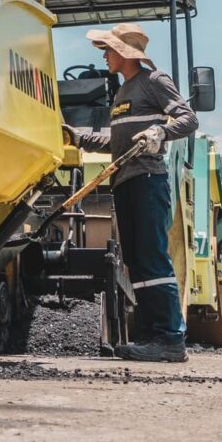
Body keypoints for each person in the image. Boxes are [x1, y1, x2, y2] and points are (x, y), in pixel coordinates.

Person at [63, 22, 198, 362]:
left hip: (148, 180)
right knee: (136, 261)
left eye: (108, 50)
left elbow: (188, 119)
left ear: (124, 52)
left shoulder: (155, 81)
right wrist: (79, 138)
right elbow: (119, 142)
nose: (104, 56)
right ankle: (151, 336)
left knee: (152, 257)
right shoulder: (123, 92)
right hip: (124, 181)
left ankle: (170, 337)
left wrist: (160, 132)